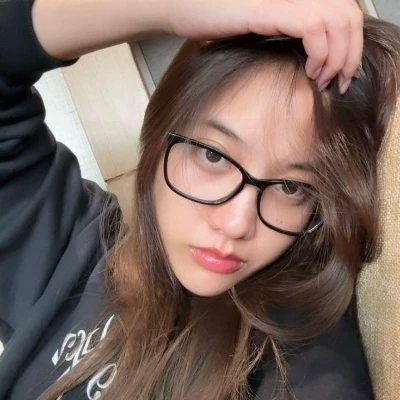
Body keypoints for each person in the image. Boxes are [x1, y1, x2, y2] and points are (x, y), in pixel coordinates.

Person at [1, 0, 400, 399]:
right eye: (213, 156)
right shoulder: (70, 250)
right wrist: (169, 9)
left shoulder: (301, 365)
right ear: (159, 135)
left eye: (291, 188)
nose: (236, 223)